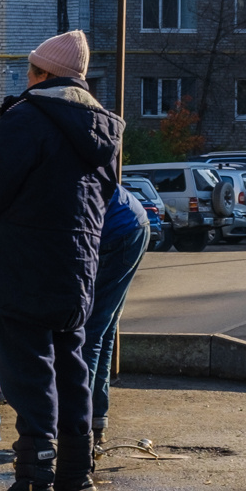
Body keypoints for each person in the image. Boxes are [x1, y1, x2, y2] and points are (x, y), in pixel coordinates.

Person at [0, 29, 119, 491]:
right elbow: (100, 196)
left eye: (29, 71)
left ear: (41, 74)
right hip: (77, 266)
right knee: (69, 369)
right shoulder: (103, 129)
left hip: (21, 268)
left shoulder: (27, 117)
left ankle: (36, 484)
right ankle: (76, 477)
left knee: (29, 375)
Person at [85, 178, 150, 461]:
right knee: (103, 329)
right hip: (130, 222)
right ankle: (94, 421)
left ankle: (79, 428)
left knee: (90, 331)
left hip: (117, 232)